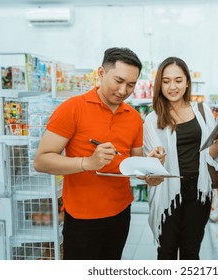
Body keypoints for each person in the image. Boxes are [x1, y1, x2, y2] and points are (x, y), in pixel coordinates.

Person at [33, 47, 164, 260]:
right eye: (118, 81)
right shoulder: (72, 109)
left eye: (131, 85)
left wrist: (152, 172)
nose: (123, 91)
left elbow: (136, 164)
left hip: (121, 212)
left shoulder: (133, 118)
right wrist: (87, 162)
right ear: (101, 73)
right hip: (82, 216)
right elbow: (41, 160)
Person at [143, 57, 218, 260]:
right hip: (168, 194)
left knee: (191, 252)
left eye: (178, 80)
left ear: (187, 82)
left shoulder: (202, 111)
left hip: (198, 192)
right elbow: (151, 166)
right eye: (166, 81)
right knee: (166, 252)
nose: (172, 86)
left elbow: (210, 156)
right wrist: (156, 159)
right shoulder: (152, 118)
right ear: (159, 84)